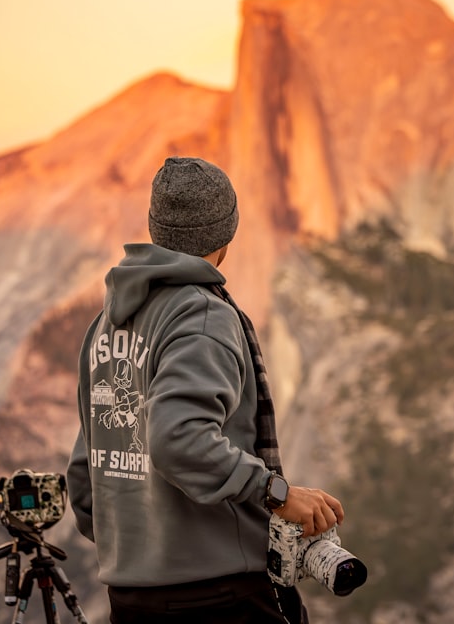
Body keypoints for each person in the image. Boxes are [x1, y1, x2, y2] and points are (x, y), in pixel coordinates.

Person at [67, 156, 344, 623]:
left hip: (133, 601)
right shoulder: (202, 314)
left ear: (156, 229)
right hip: (220, 598)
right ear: (226, 237)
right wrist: (276, 491)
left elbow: (85, 472)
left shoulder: (105, 325)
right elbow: (178, 438)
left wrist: (143, 548)